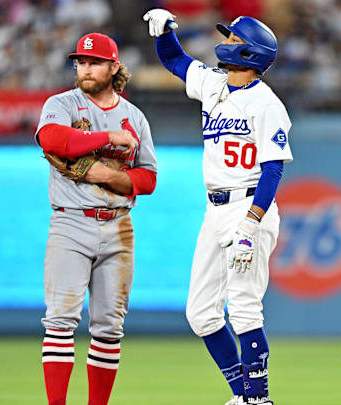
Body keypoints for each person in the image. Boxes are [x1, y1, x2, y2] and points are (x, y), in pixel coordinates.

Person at [143, 9, 293, 405]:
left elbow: (273, 170)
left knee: (244, 307)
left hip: (248, 207)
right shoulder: (213, 84)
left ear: (249, 52)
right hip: (215, 209)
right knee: (201, 314)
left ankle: (258, 400)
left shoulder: (267, 104)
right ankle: (243, 395)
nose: (224, 42)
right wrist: (163, 31)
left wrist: (251, 224)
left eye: (232, 38)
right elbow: (174, 60)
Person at [35, 32, 158, 405]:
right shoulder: (63, 103)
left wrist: (110, 177)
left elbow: (148, 179)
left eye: (95, 62)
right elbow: (53, 140)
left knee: (109, 329)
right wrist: (108, 137)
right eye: (81, 62)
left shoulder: (134, 116)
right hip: (71, 221)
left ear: (114, 67)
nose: (86, 68)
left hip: (119, 226)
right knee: (60, 321)